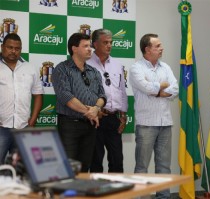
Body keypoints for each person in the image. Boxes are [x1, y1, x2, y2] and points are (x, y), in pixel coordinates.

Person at [129, 33, 179, 199]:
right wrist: (160, 87)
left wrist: (157, 91)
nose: (161, 48)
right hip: (146, 124)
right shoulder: (136, 68)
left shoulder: (166, 67)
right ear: (147, 49)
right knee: (142, 166)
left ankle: (163, 196)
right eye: (157, 46)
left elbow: (175, 89)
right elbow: (146, 88)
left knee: (164, 166)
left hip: (165, 123)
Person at [52, 33, 107, 172]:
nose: (90, 49)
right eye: (86, 46)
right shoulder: (62, 69)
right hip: (70, 125)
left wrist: (95, 109)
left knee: (84, 167)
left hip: (90, 125)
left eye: (90, 46)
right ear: (74, 48)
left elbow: (102, 95)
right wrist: (89, 112)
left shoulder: (94, 71)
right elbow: (66, 97)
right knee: (68, 168)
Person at [87, 29, 128, 173]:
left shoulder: (117, 64)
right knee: (96, 161)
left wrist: (123, 115)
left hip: (113, 117)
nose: (109, 45)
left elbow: (122, 90)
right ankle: (97, 195)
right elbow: (83, 92)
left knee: (117, 161)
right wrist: (93, 110)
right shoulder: (86, 64)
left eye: (111, 42)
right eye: (105, 42)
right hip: (95, 119)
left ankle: (116, 194)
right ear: (95, 44)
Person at [0, 33, 43, 164]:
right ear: (2, 47)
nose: (13, 51)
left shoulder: (30, 68)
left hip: (23, 128)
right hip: (1, 128)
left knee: (19, 168)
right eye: (10, 47)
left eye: (17, 48)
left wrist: (33, 120)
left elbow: (38, 95)